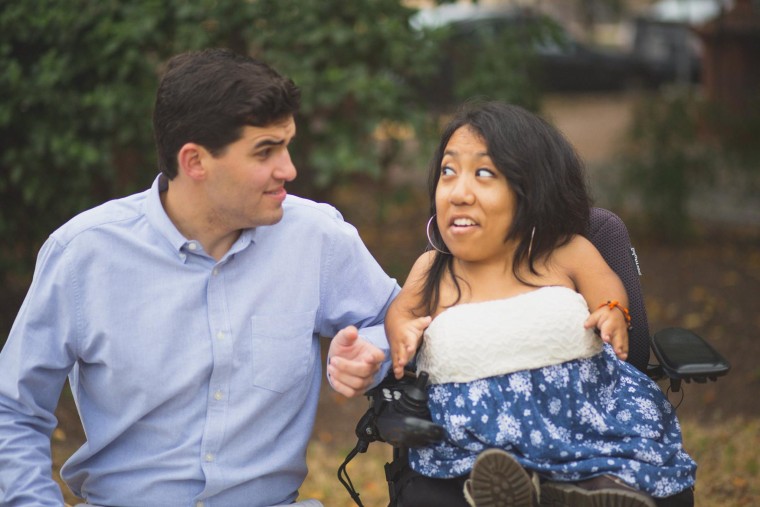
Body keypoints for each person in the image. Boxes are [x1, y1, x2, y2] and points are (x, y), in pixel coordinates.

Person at [0, 48, 400, 507]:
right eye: (265, 152)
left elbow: (399, 319)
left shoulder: (318, 238)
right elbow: (12, 408)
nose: (289, 169)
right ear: (195, 162)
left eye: (286, 145)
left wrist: (375, 351)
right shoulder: (84, 254)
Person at [385, 102, 696, 507]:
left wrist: (612, 310)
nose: (458, 193)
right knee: (490, 469)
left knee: (612, 463)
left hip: (583, 422)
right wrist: (402, 332)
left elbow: (607, 286)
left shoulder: (565, 252)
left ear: (532, 190)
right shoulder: (432, 268)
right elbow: (401, 313)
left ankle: (591, 491)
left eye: (483, 174)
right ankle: (516, 489)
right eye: (448, 172)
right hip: (476, 440)